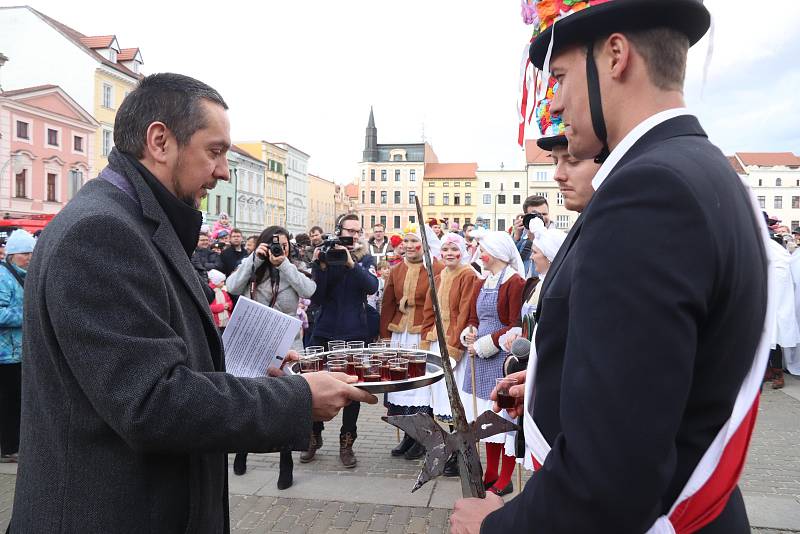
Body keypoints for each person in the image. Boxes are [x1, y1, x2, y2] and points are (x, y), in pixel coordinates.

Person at [8, 73, 376, 534]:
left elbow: (153, 362)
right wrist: (296, 400)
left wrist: (249, 367)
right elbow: (150, 401)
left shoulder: (133, 222)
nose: (223, 171)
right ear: (160, 141)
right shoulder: (101, 232)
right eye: (214, 151)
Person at [452, 2, 768, 532]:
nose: (553, 102)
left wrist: (496, 527)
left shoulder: (648, 192)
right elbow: (671, 372)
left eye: (558, 77)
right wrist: (553, 379)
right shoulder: (701, 169)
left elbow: (609, 477)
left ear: (616, 56)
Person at [227, 225, 317, 487]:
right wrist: (254, 259)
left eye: (285, 245)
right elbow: (232, 286)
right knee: (247, 399)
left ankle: (285, 462)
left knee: (286, 403)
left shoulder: (292, 268)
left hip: (286, 342)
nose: (280, 249)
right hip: (254, 339)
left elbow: (309, 290)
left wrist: (285, 264)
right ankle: (241, 450)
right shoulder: (252, 267)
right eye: (275, 245)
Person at [305, 213, 378, 467]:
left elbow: (371, 286)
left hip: (354, 331)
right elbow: (319, 296)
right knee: (312, 381)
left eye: (358, 231)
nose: (354, 236)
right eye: (350, 231)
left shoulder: (365, 257)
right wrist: (321, 268)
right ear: (339, 231)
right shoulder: (325, 254)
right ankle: (313, 436)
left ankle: (347, 442)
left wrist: (350, 264)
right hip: (324, 329)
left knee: (353, 388)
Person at [459, 230, 525, 497]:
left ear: (496, 253)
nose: (478, 253)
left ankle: (506, 477)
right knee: (485, 419)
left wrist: (487, 343)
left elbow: (514, 325)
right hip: (479, 356)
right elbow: (474, 317)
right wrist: (470, 332)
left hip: (501, 356)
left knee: (503, 418)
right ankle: (491, 472)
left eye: (482, 249)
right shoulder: (482, 281)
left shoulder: (514, 283)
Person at [380, 225, 443, 460]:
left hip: (421, 336)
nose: (407, 246)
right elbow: (387, 303)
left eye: (413, 241)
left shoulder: (435, 268)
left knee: (420, 386)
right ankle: (408, 434)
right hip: (400, 335)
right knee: (401, 384)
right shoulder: (396, 270)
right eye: (405, 241)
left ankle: (423, 437)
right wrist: (385, 336)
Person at [420, 232, 478, 476]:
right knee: (442, 398)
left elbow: (465, 310)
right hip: (437, 339)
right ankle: (450, 449)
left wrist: (454, 346)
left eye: (454, 249)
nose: (449, 254)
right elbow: (429, 307)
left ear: (462, 251)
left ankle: (462, 453)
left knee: (457, 400)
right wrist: (425, 335)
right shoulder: (440, 273)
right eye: (445, 250)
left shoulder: (468, 274)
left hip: (454, 344)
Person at [0, 229, 34, 464]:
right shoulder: (3, 277)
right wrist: (27, 313)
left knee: (18, 402)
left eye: (32, 252)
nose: (30, 257)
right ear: (12, 255)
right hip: (4, 355)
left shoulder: (23, 275)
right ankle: (8, 448)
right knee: (8, 403)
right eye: (25, 253)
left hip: (19, 353)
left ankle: (15, 444)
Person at [512, 195, 550, 278]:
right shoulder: (522, 240)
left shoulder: (556, 240)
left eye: (544, 214)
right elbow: (508, 262)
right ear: (526, 217)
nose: (541, 218)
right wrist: (516, 237)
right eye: (535, 215)